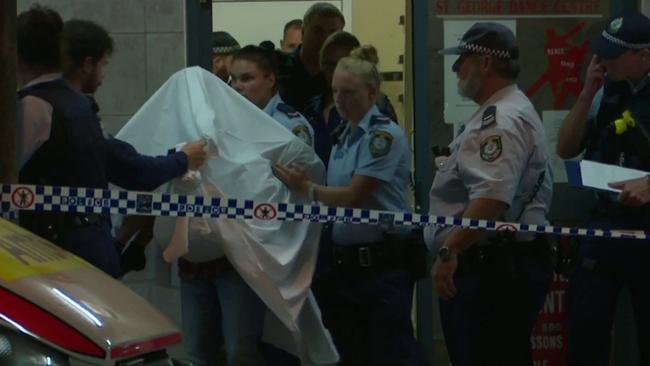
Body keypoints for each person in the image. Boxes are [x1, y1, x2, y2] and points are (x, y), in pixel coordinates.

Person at [16, 10, 207, 278]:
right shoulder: (76, 106)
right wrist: (181, 159)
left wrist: (180, 159)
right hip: (87, 243)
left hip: (51, 247)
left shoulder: (33, 107)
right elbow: (131, 169)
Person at [273, 45, 428, 366]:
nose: (340, 100)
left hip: (383, 265)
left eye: (349, 93)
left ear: (371, 93)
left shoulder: (382, 136)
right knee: (351, 352)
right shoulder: (345, 135)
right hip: (348, 269)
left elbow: (353, 195)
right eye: (336, 92)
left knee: (393, 352)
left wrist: (307, 189)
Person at [424, 23, 553, 365]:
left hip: (491, 271)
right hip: (491, 264)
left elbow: (492, 198)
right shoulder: (502, 112)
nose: (455, 68)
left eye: (462, 59)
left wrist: (450, 250)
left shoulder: (501, 120)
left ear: (484, 63)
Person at [555, 12, 650, 365]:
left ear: (643, 56)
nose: (604, 60)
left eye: (614, 53)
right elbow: (565, 148)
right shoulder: (605, 90)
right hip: (606, 225)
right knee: (584, 333)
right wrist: (586, 94)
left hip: (647, 229)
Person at [305, 30, 399, 165]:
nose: (334, 70)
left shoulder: (375, 105)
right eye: (328, 64)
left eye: (340, 63)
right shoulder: (312, 107)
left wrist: (308, 187)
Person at [230, 45, 314, 146]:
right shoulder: (230, 118)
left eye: (246, 78)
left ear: (270, 80)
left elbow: (303, 161)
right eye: (233, 79)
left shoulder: (289, 124)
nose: (236, 86)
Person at [277, 2, 345, 115]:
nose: (325, 39)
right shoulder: (277, 68)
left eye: (332, 33)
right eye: (317, 31)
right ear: (303, 33)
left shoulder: (343, 75)